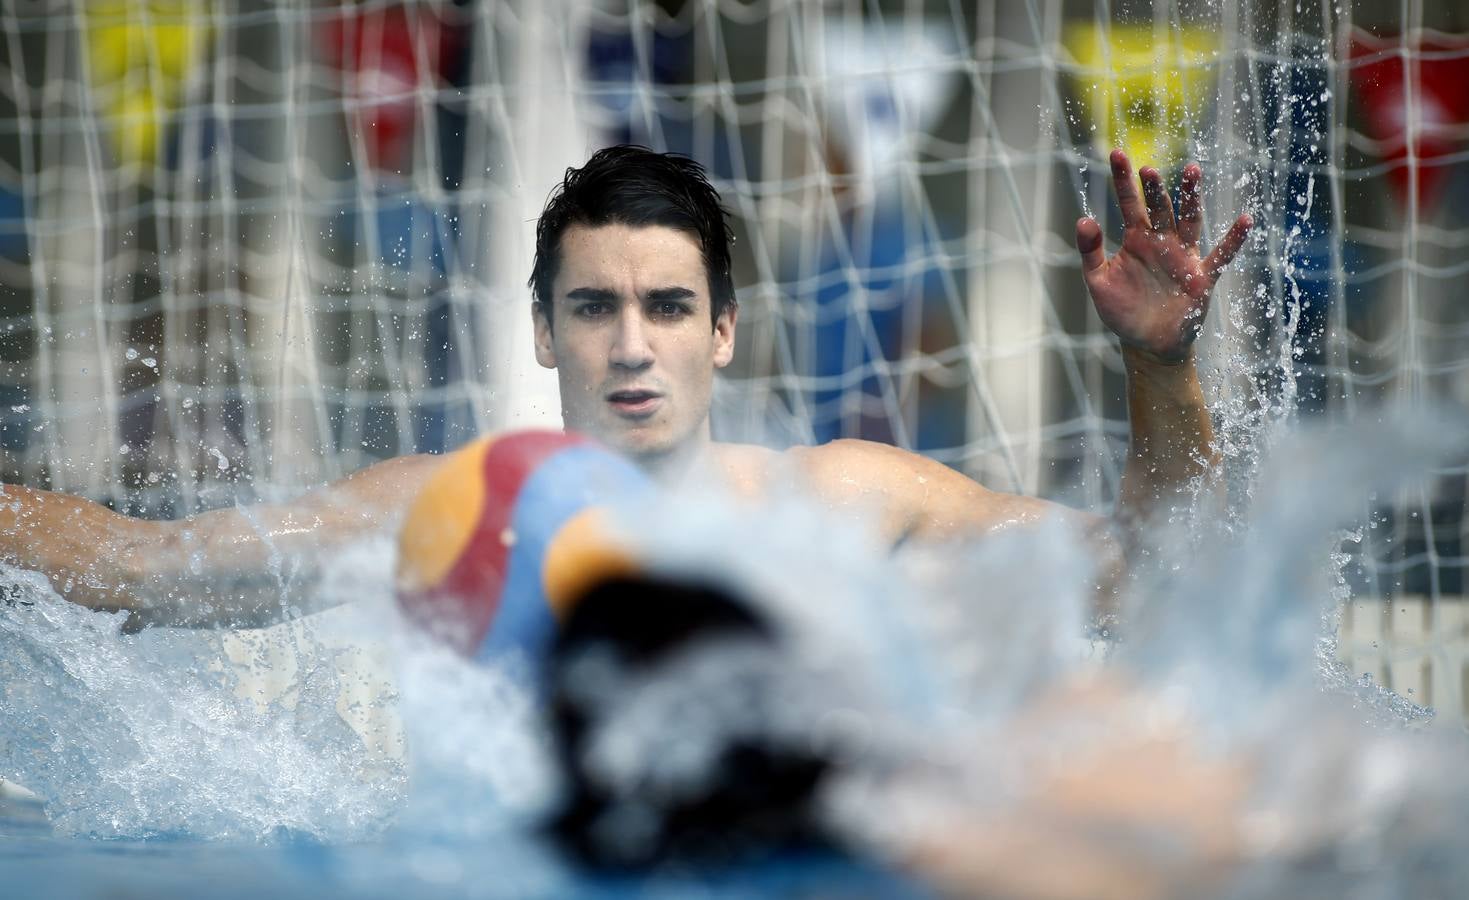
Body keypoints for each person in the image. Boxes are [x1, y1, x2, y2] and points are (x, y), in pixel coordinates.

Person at [0, 145, 1250, 628]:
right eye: (593, 308)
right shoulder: (447, 506)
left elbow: (1150, 574)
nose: (631, 345)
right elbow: (145, 567)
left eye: (664, 308)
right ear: (543, 334)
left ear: (722, 334)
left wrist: (1158, 368)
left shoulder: (847, 504)